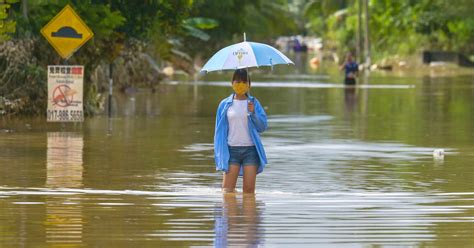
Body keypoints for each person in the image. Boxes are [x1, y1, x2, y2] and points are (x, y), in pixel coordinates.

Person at [214, 69, 268, 194]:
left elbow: (262, 127)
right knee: (227, 191)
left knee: (249, 192)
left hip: (250, 150)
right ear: (232, 83)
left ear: (249, 85)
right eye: (237, 81)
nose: (240, 84)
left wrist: (253, 113)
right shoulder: (224, 104)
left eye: (244, 82)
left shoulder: (253, 103)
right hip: (231, 151)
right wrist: (219, 153)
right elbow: (219, 131)